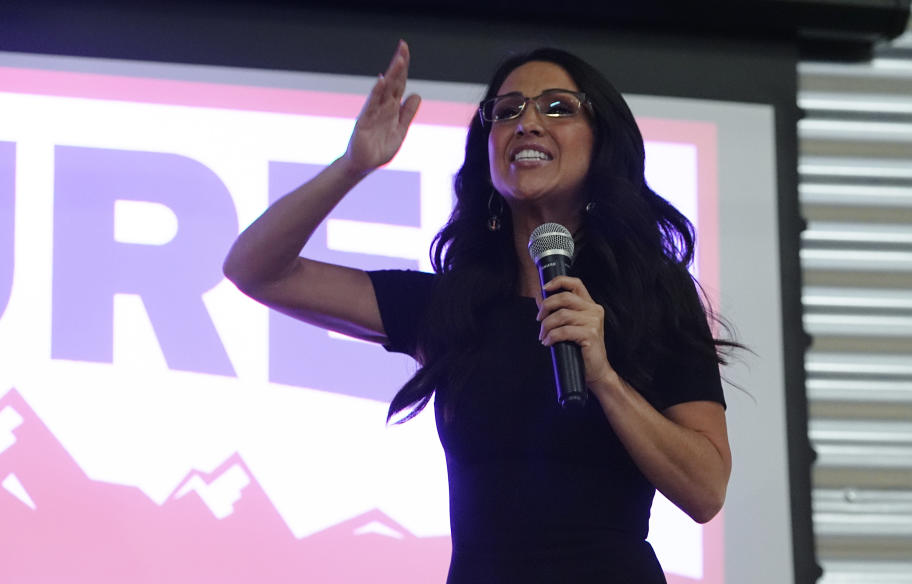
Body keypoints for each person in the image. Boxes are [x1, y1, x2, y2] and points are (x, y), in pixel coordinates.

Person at [223, 40, 733, 583]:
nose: (528, 123)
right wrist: (352, 167)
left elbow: (705, 490)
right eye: (507, 111)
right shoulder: (451, 307)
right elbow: (256, 269)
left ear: (602, 141)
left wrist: (604, 377)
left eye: (556, 107)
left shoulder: (650, 295)